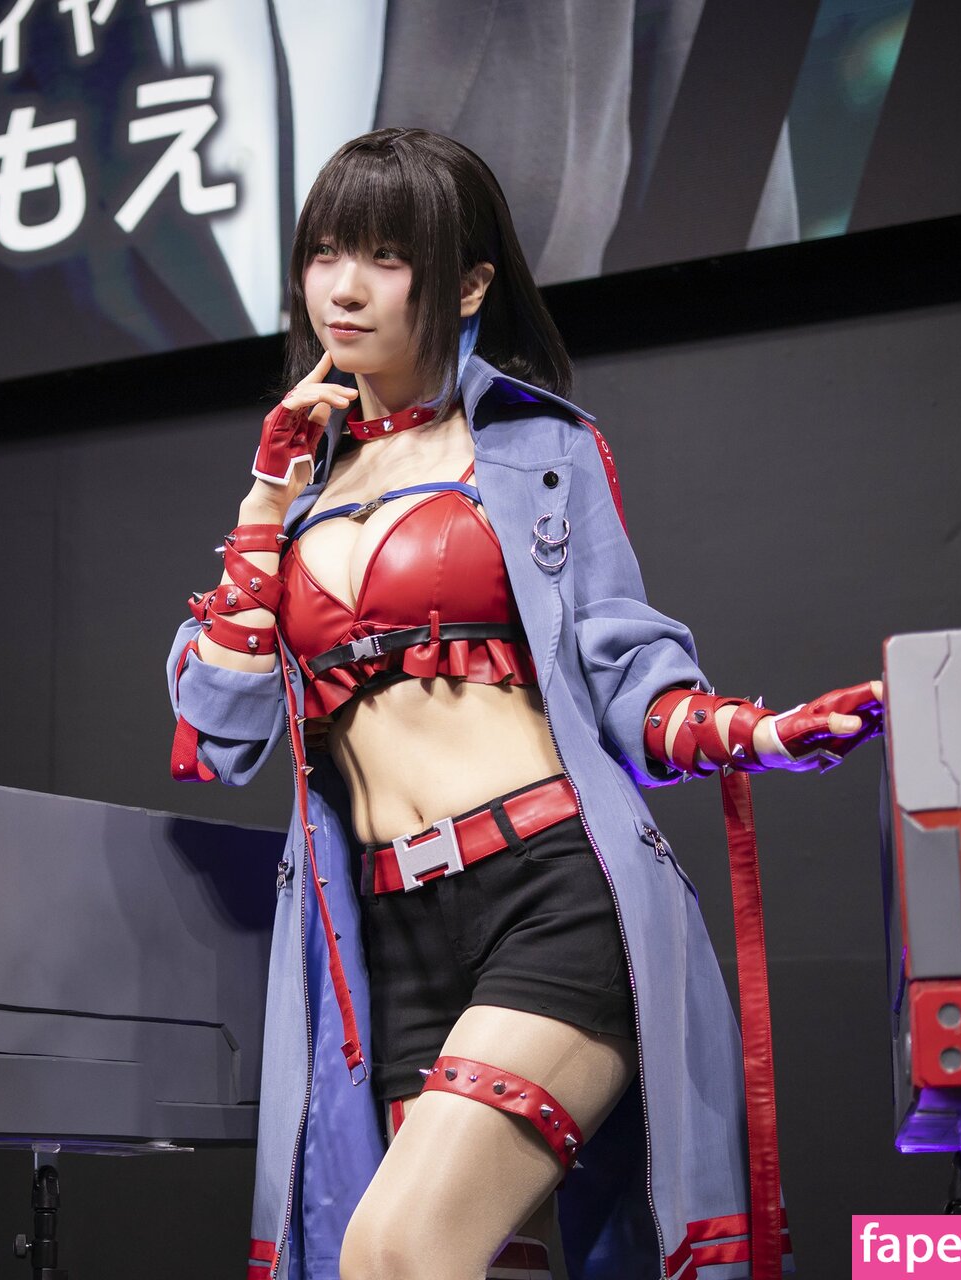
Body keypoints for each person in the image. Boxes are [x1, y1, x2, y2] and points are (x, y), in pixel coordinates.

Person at [163, 128, 882, 1279]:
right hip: (385, 934)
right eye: (327, 252)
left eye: (387, 257)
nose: (344, 287)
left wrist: (756, 732)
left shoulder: (542, 450)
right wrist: (260, 503)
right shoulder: (293, 497)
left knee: (398, 1249)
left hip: (546, 893)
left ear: (469, 284)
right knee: (456, 1261)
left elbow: (627, 674)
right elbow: (219, 732)